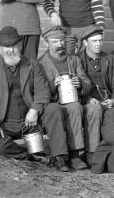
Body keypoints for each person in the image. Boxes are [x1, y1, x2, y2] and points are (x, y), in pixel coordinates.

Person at [0, 26, 72, 171]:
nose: (10, 50)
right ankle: (31, 156)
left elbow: (43, 92)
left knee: (54, 108)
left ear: (19, 45)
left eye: (13, 46)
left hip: (30, 121)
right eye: (6, 47)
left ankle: (60, 157)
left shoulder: (32, 65)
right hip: (3, 123)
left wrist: (34, 110)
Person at [37, 25, 92, 170]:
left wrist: (79, 84)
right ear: (46, 42)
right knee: (57, 110)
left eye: (61, 41)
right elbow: (38, 90)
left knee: (74, 107)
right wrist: (52, 85)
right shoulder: (40, 64)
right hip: (52, 103)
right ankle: (61, 157)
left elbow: (87, 82)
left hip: (71, 100)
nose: (59, 45)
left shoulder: (74, 60)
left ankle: (74, 154)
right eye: (54, 42)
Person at [76, 27, 114, 164]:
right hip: (88, 100)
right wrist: (88, 99)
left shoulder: (109, 58)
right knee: (95, 110)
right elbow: (77, 86)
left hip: (108, 98)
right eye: (94, 41)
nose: (98, 44)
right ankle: (92, 153)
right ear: (85, 43)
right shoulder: (78, 60)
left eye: (100, 41)